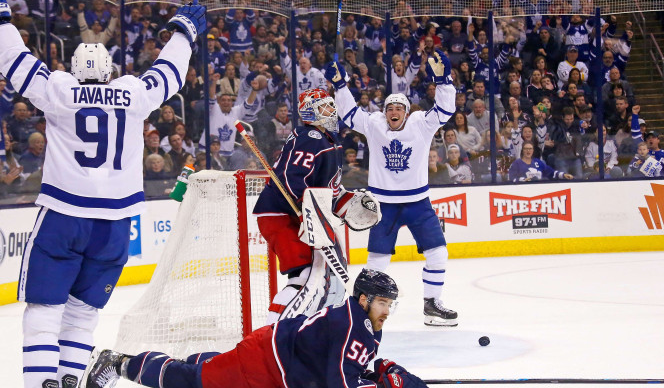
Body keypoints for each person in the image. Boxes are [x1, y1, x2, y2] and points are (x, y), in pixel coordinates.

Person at [0, 0, 206, 388]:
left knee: (44, 310)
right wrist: (183, 34)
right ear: (109, 69)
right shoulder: (131, 93)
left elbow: (16, 64)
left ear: (75, 69)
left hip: (63, 215)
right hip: (114, 225)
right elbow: (167, 76)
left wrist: (0, 18)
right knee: (83, 313)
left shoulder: (59, 89)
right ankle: (72, 379)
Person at [84, 269, 427, 388]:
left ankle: (195, 360)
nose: (387, 310)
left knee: (212, 370)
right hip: (264, 363)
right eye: (383, 302)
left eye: (389, 304)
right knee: (195, 384)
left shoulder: (366, 323)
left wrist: (382, 371)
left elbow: (344, 368)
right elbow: (340, 383)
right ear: (365, 299)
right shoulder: (351, 324)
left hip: (279, 367)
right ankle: (119, 362)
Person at [328, 48, 459, 327]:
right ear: (384, 112)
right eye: (389, 108)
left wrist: (445, 80)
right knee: (377, 263)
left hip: (418, 204)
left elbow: (446, 110)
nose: (394, 112)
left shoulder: (421, 124)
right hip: (383, 205)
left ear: (407, 112)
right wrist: (340, 86)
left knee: (438, 254)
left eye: (399, 108)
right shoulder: (375, 124)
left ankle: (432, 305)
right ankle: (359, 313)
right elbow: (350, 114)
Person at [252, 87, 377, 324]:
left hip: (298, 215)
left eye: (331, 105)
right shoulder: (310, 138)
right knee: (302, 276)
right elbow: (291, 178)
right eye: (324, 107)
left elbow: (331, 191)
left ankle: (300, 327)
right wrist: (305, 213)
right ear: (310, 113)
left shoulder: (330, 141)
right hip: (280, 214)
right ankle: (270, 333)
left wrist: (350, 205)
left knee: (315, 277)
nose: (331, 110)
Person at [508, 141, 575, 182]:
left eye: (530, 149)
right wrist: (523, 180)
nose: (528, 151)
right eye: (526, 149)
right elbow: (511, 179)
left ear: (533, 150)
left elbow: (551, 173)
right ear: (523, 150)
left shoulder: (538, 162)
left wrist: (563, 175)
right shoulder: (516, 164)